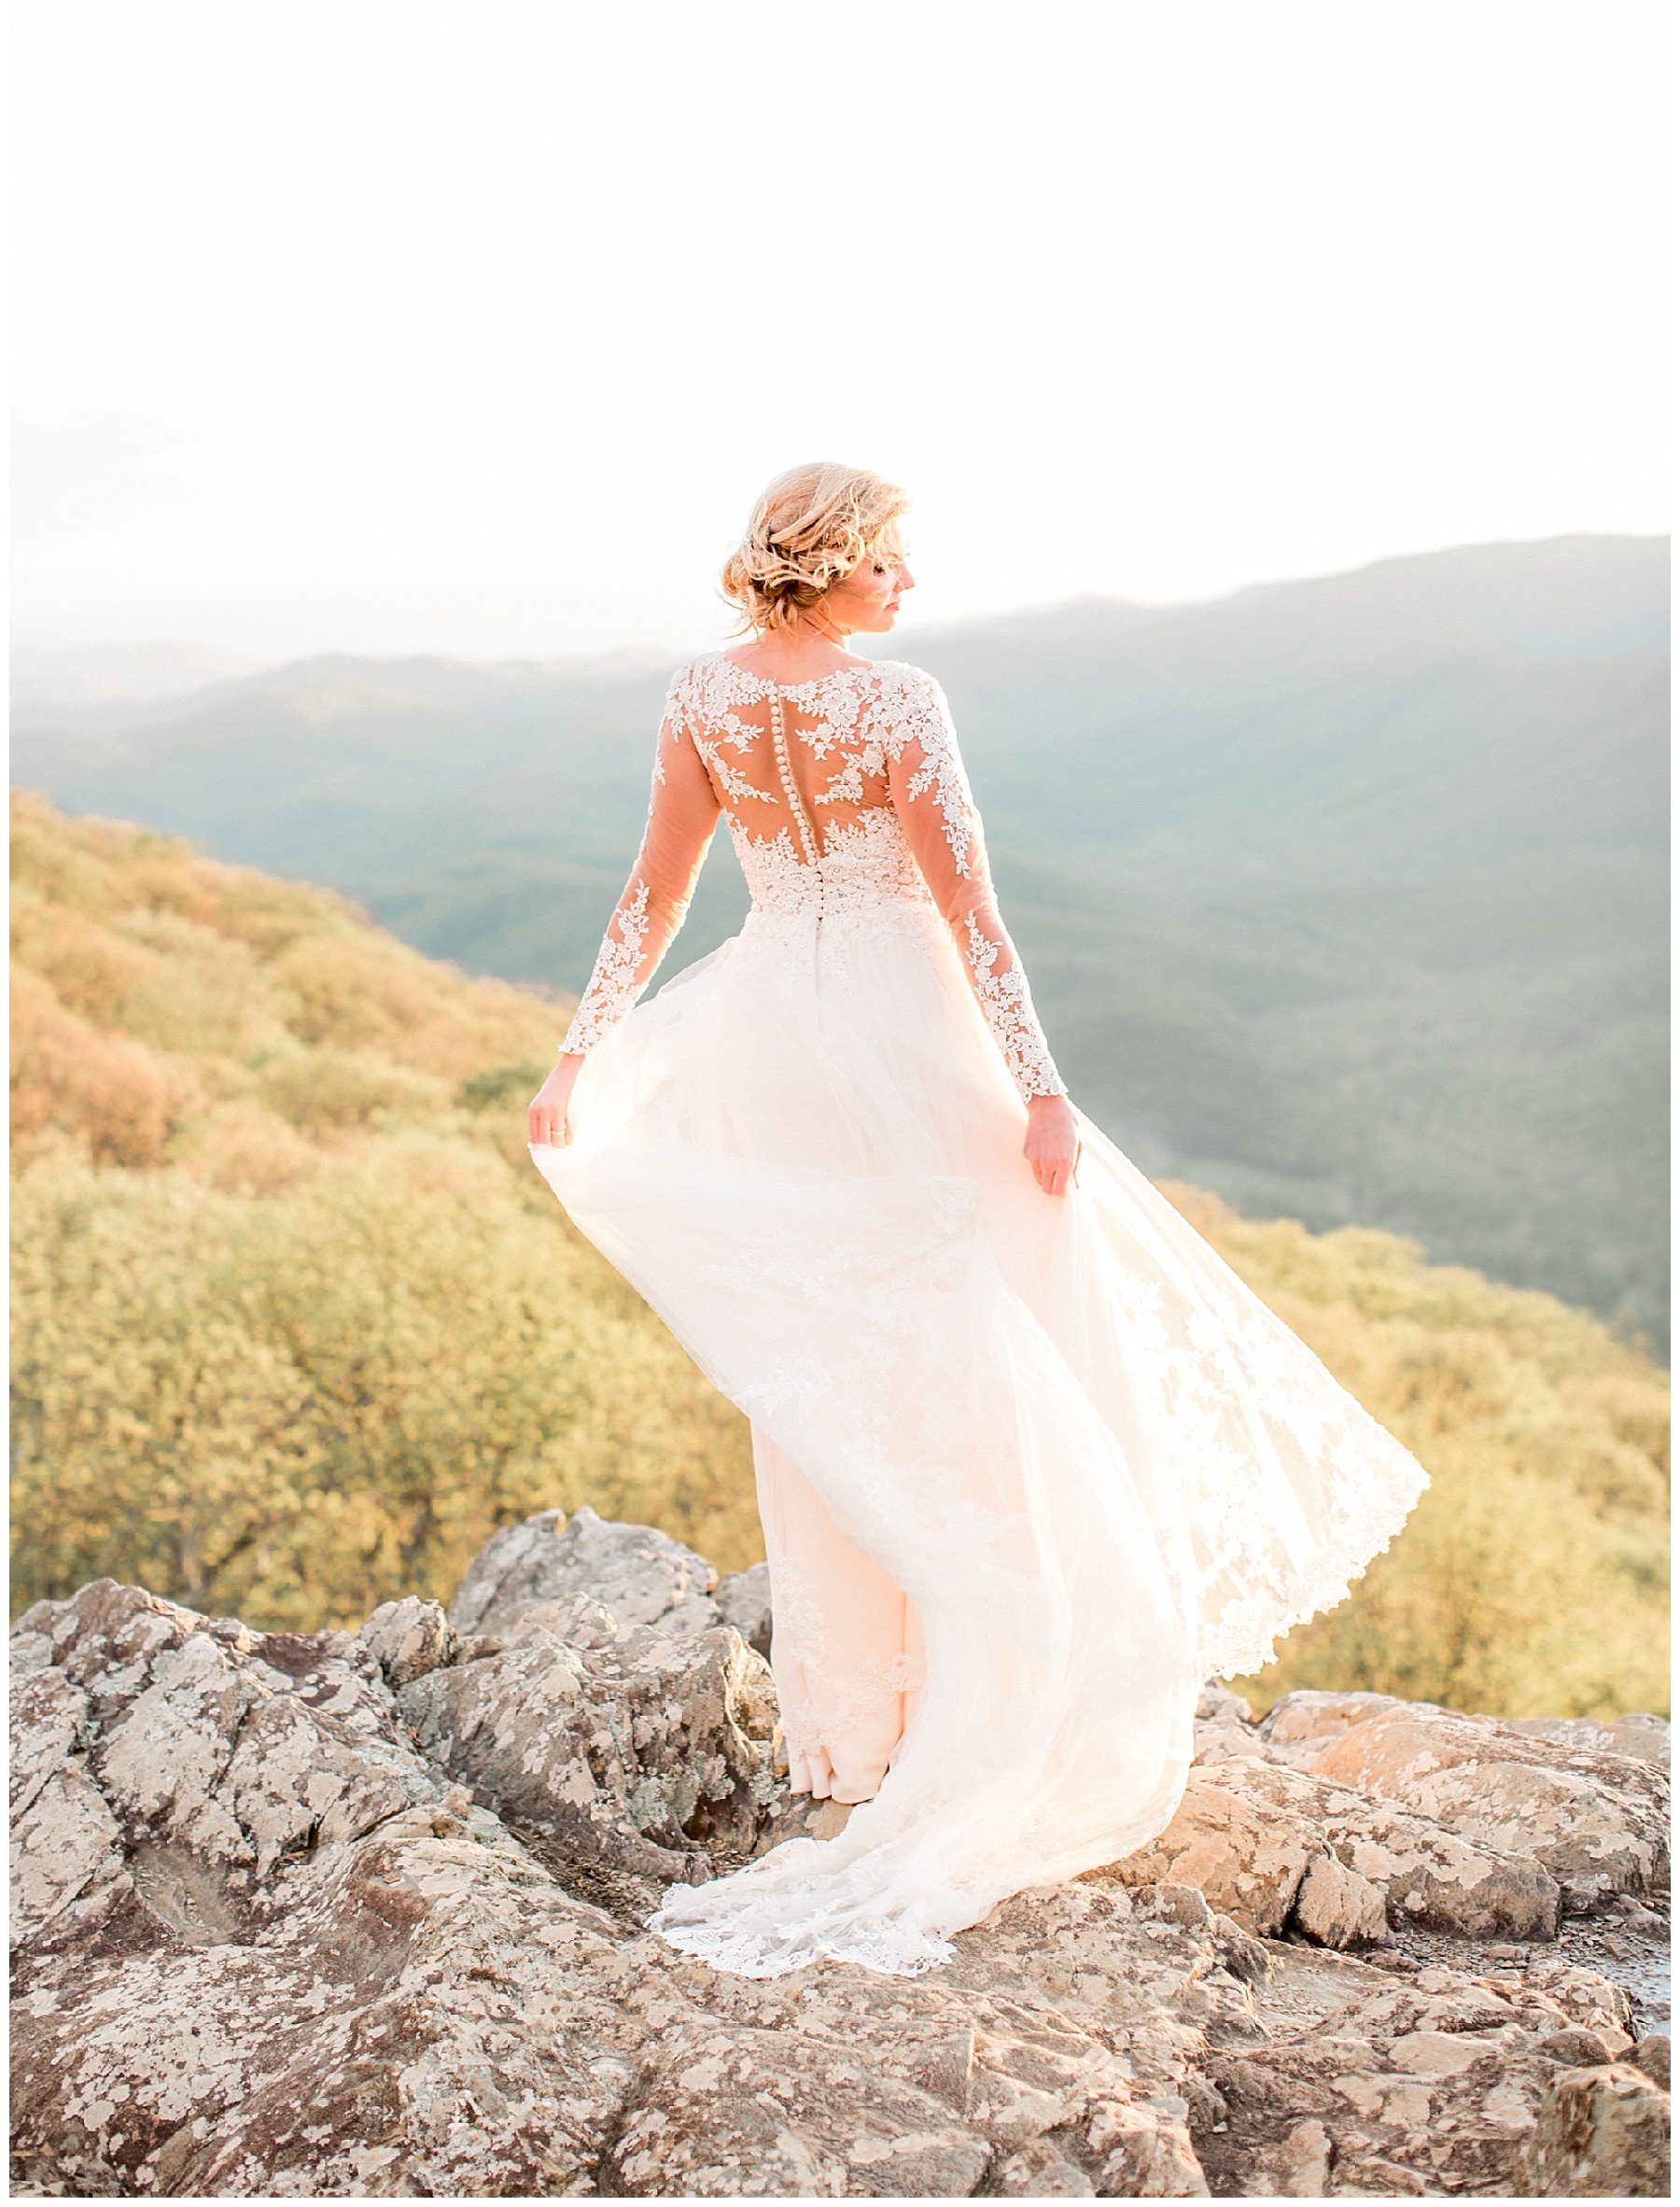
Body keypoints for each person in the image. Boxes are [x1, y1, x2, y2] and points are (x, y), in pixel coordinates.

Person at [526, 461, 1426, 1980]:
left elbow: (652, 898)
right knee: (991, 1337)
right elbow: (973, 913)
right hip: (905, 1034)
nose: (910, 584)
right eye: (894, 556)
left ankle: (860, 1727)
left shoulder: (700, 695)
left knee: (832, 1371)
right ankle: (1024, 1670)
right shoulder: (903, 703)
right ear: (840, 565)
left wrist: (580, 1051)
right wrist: (1044, 1091)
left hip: (771, 1039)